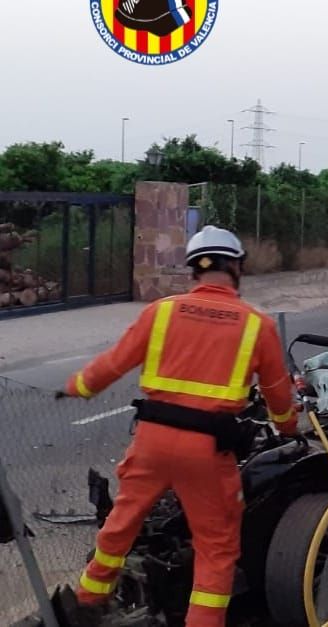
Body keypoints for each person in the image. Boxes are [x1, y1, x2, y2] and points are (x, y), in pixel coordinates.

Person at [59, 226, 299, 627]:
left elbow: (114, 363)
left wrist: (74, 387)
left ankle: (89, 600)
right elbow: (277, 393)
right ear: (237, 266)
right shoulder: (257, 325)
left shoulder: (162, 311)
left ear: (194, 270)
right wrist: (288, 430)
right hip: (207, 450)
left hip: (151, 441)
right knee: (217, 548)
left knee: (122, 523)